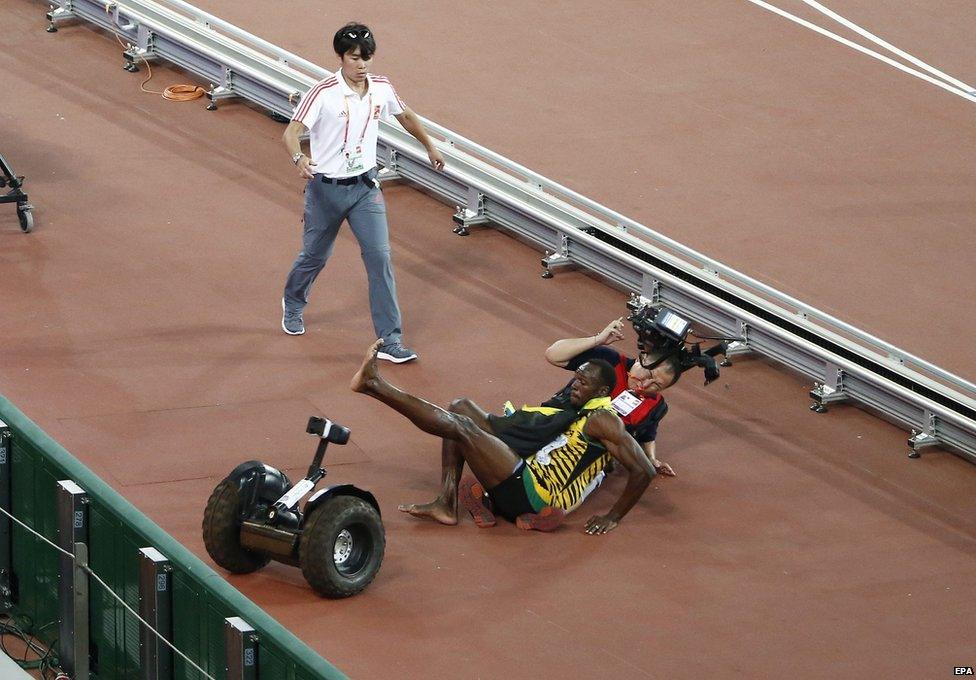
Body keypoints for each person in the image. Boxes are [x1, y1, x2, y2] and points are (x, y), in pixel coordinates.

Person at [351, 340, 658, 535]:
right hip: (524, 474)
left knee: (462, 428)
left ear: (602, 391)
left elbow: (644, 470)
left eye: (583, 383)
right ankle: (446, 502)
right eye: (575, 379)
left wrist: (613, 517)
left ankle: (376, 386)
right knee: (460, 408)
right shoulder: (576, 405)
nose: (574, 386)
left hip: (538, 493)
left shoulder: (603, 419)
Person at [280, 23, 445, 363]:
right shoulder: (323, 92)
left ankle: (390, 340)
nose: (362, 64)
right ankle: (293, 303)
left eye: (367, 58)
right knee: (315, 256)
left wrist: (429, 145)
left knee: (380, 259)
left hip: (365, 189)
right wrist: (299, 157)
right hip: (325, 191)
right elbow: (291, 132)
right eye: (355, 58)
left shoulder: (381, 87)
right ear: (340, 57)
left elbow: (405, 115)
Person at [543, 317, 680, 476]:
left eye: (657, 385)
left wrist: (651, 459)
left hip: (585, 460)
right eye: (649, 374)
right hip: (554, 429)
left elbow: (648, 434)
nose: (646, 384)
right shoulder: (609, 361)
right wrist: (598, 340)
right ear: (641, 358)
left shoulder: (656, 405)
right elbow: (553, 355)